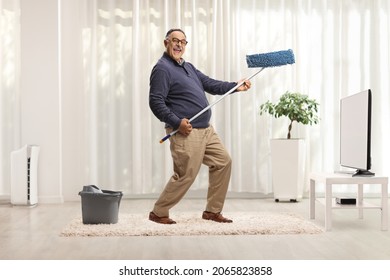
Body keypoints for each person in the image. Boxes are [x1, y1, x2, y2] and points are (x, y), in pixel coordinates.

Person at [148, 28, 251, 224]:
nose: (179, 44)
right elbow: (155, 102)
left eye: (183, 42)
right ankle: (158, 212)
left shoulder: (188, 67)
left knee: (223, 162)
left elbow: (210, 84)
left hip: (206, 131)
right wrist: (177, 122)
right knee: (186, 175)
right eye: (175, 41)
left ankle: (212, 211)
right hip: (186, 132)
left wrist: (235, 86)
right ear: (166, 43)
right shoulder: (162, 68)